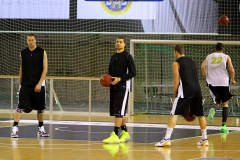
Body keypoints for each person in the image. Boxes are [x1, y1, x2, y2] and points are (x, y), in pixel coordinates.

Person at [155, 44, 208, 147]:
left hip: (186, 90)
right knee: (200, 114)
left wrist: (175, 96)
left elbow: (176, 81)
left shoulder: (176, 63)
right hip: (197, 89)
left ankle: (166, 138)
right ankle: (205, 138)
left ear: (176, 52)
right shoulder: (192, 62)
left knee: (174, 113)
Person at [11, 33, 49, 138]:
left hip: (38, 85)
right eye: (28, 40)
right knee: (20, 107)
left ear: (35, 40)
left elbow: (45, 69)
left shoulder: (42, 52)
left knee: (40, 108)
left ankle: (41, 129)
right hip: (25, 84)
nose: (30, 42)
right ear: (27, 41)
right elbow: (22, 68)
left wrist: (39, 83)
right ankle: (14, 128)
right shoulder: (23, 53)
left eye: (32, 40)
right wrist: (20, 83)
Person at [102, 37, 136, 143]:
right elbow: (109, 73)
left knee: (119, 111)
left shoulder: (127, 56)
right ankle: (125, 133)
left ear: (124, 44)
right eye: (117, 42)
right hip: (114, 86)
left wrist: (120, 79)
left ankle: (116, 134)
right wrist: (105, 79)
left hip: (123, 87)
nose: (118, 43)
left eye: (121, 42)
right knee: (117, 110)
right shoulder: (113, 57)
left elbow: (133, 72)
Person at [201, 42, 235, 133]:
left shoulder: (209, 56)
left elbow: (202, 67)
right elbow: (231, 70)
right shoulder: (226, 56)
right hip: (223, 82)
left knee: (216, 102)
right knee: (225, 103)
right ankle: (223, 127)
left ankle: (214, 108)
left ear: (215, 49)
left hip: (212, 83)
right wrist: (233, 79)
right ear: (223, 49)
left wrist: (206, 77)